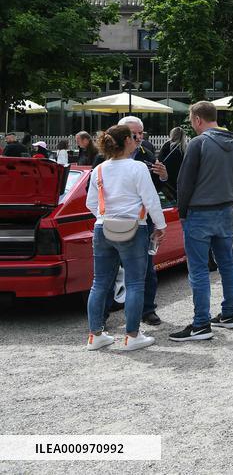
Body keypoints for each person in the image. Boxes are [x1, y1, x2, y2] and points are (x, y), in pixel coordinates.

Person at [84, 125, 167, 352]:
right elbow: (151, 200)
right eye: (133, 137)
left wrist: (107, 216)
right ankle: (132, 335)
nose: (136, 139)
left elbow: (90, 202)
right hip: (134, 227)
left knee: (99, 283)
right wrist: (160, 226)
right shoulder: (137, 167)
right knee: (135, 283)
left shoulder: (99, 169)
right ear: (127, 141)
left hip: (103, 227)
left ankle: (95, 335)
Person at [170, 101, 233, 342]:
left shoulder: (199, 143)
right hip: (225, 210)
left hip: (200, 212)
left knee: (199, 270)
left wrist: (182, 213)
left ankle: (201, 324)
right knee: (227, 264)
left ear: (198, 120)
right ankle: (229, 313)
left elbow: (185, 183)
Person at [115, 115, 168, 327]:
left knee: (147, 269)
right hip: (115, 219)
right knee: (110, 271)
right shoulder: (106, 155)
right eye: (133, 133)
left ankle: (148, 310)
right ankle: (101, 317)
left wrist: (163, 175)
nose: (137, 137)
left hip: (143, 221)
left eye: (140, 133)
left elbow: (156, 190)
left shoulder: (146, 152)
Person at [158, 126, 187, 198]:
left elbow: (160, 160)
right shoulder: (185, 147)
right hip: (181, 178)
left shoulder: (167, 145)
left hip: (168, 178)